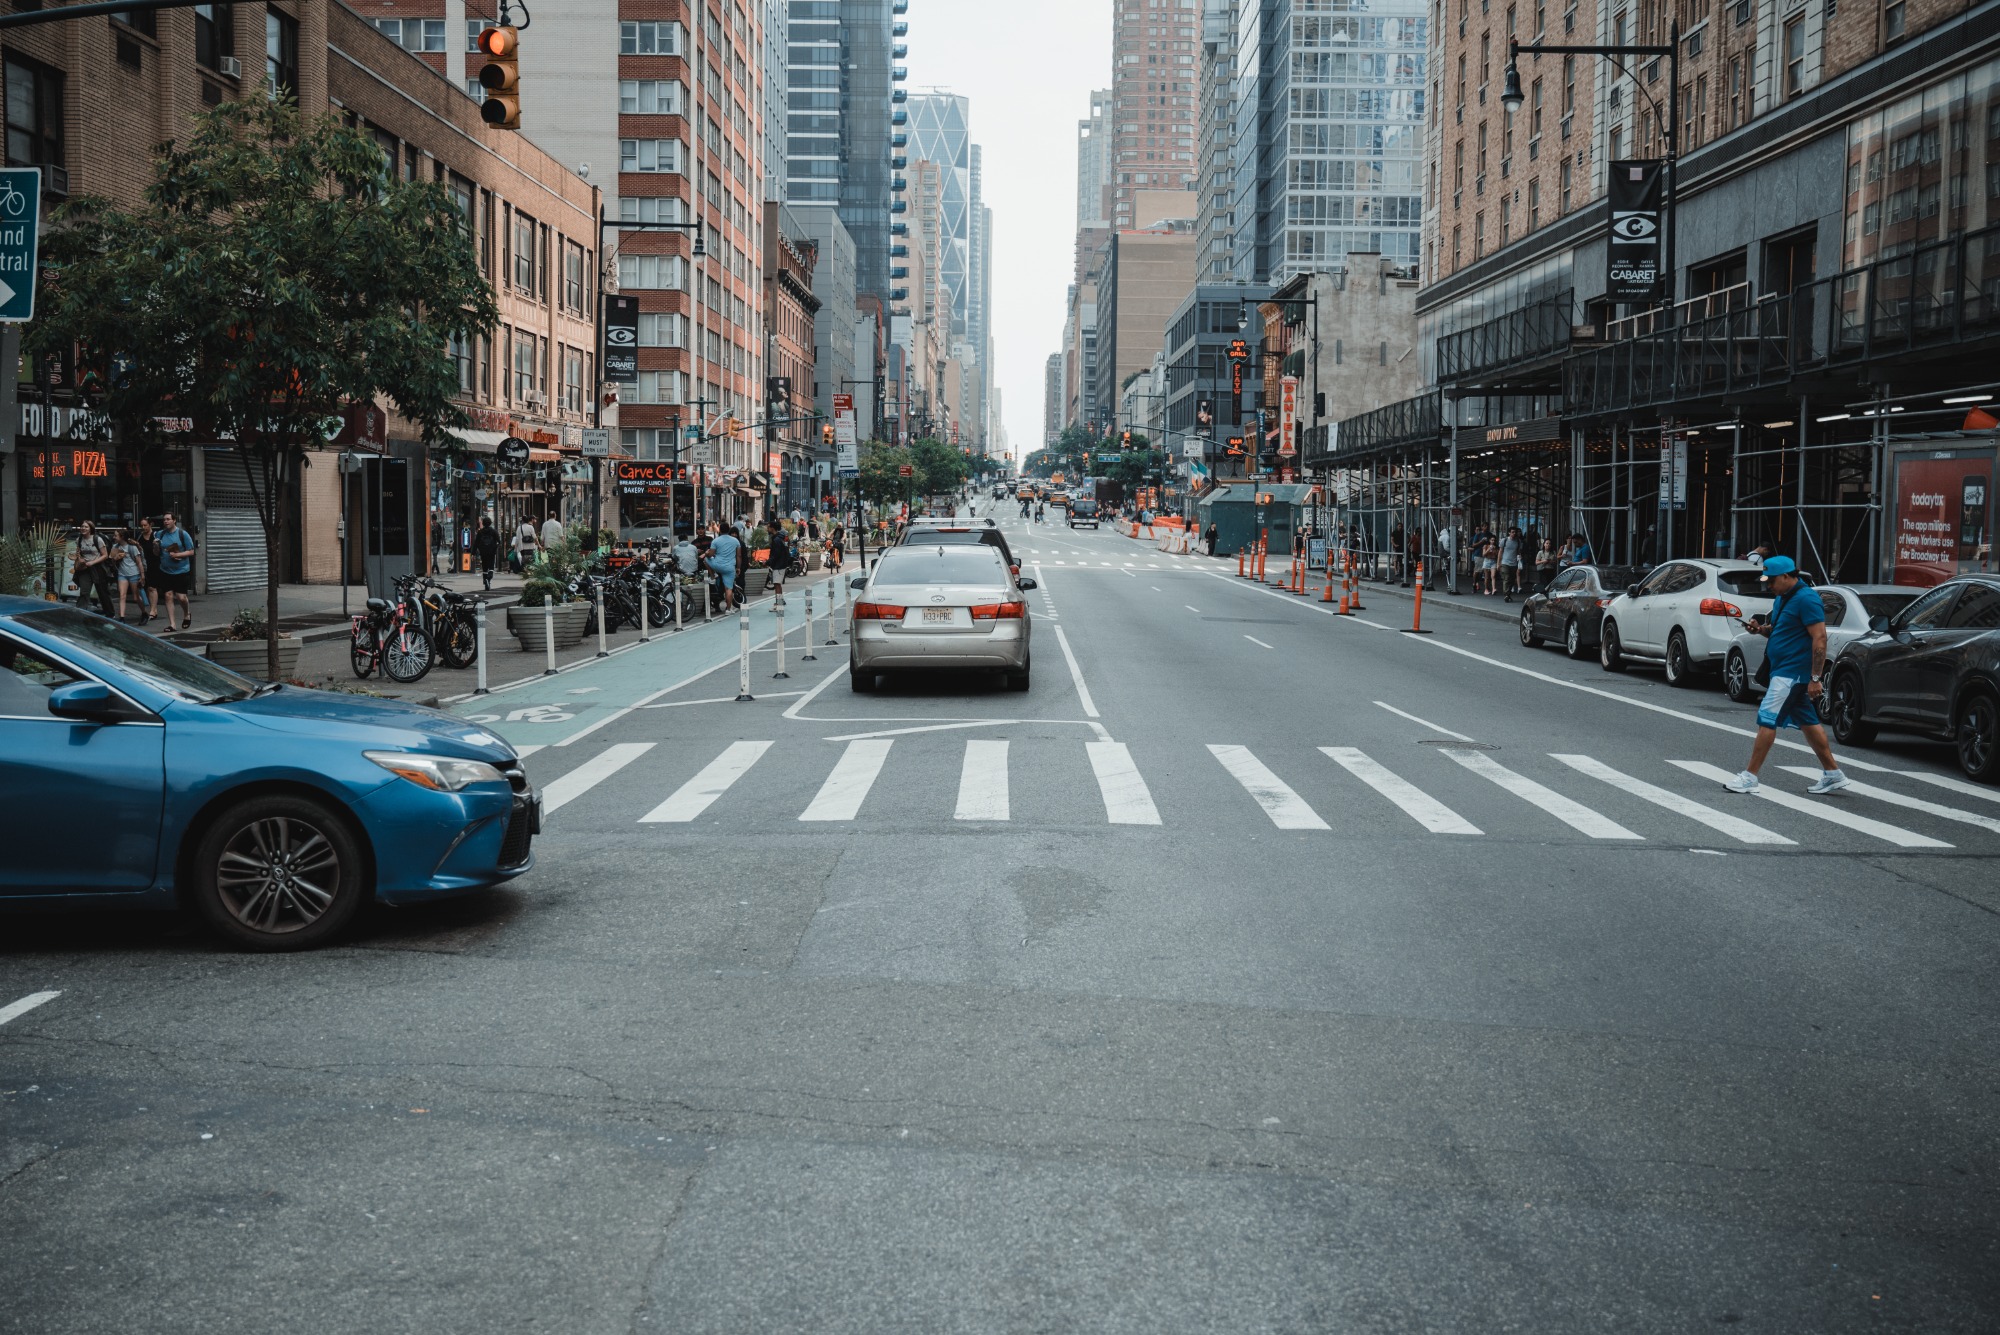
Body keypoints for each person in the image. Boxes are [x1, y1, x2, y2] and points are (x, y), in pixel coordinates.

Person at [1724, 556, 1851, 796]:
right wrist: (1760, 629)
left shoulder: (1807, 598)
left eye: (1771, 581)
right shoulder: (1783, 597)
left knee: (1766, 719)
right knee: (1808, 722)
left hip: (1790, 674)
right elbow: (1781, 630)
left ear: (1786, 576)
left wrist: (1816, 678)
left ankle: (1750, 777)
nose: (1768, 586)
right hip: (1783, 671)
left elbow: (1820, 638)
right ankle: (1833, 774)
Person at [155, 512, 196, 631]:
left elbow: (191, 551)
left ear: (174, 521)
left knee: (181, 597)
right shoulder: (160, 534)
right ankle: (172, 624)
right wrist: (155, 547)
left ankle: (187, 614)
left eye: (168, 519)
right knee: (168, 596)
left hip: (181, 570)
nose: (165, 521)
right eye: (164, 520)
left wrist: (178, 554)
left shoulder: (183, 534)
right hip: (165, 570)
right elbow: (156, 553)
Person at [111, 528, 148, 622]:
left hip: (134, 574)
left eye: (116, 535)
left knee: (136, 597)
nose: (113, 537)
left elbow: (139, 562)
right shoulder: (115, 546)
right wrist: (116, 558)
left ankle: (144, 613)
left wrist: (142, 576)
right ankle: (122, 617)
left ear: (122, 537)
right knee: (122, 595)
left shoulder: (132, 547)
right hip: (122, 574)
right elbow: (112, 561)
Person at [706, 524, 741, 612]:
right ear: (729, 530)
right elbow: (739, 555)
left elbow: (710, 555)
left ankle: (713, 576)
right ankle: (728, 609)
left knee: (706, 559)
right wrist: (738, 568)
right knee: (728, 589)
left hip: (717, 565)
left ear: (720, 530)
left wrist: (706, 553)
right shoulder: (736, 541)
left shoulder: (715, 541)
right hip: (730, 567)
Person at [136, 516, 162, 623]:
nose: (143, 527)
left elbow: (161, 551)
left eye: (145, 525)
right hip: (143, 564)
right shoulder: (139, 537)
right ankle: (153, 608)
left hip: (155, 564)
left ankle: (153, 610)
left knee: (152, 587)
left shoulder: (156, 535)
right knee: (146, 587)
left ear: (150, 524)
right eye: (141, 525)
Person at [472, 517, 501, 590]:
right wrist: (495, 547)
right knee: (491, 567)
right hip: (491, 551)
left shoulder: (480, 532)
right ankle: (488, 578)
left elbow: (476, 543)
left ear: (483, 523)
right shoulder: (494, 531)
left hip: (483, 551)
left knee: (484, 567)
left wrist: (473, 553)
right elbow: (499, 541)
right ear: (490, 523)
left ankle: (485, 582)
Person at [765, 519, 791, 596]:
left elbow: (775, 554)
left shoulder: (776, 540)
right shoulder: (782, 537)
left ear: (772, 528)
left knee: (777, 584)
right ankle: (780, 600)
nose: (767, 529)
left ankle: (778, 602)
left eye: (768, 527)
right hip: (782, 563)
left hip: (778, 565)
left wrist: (768, 562)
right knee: (777, 583)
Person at [1499, 526, 1523, 601]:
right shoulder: (1504, 540)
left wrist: (1519, 558)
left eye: (1515, 532)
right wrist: (1498, 563)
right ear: (1509, 532)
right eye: (1512, 532)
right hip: (1505, 562)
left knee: (1512, 580)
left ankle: (1508, 594)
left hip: (1514, 563)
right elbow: (1500, 551)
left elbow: (1518, 551)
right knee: (1507, 578)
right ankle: (1506, 594)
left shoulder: (1518, 541)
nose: (1514, 533)